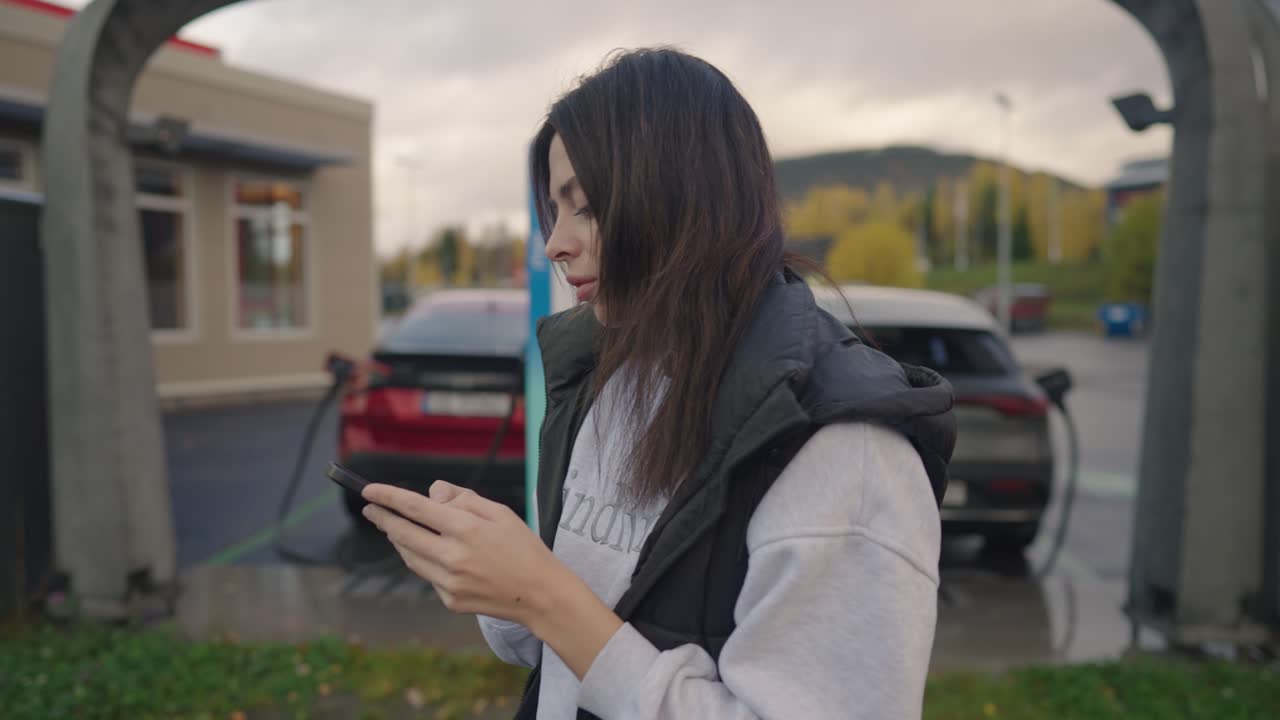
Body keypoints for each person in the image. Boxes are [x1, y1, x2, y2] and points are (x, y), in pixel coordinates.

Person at [361, 47, 956, 720]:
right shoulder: (608, 378)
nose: (555, 243)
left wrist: (544, 596)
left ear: (682, 200)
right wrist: (497, 576)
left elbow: (576, 623)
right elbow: (564, 649)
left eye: (582, 207)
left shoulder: (844, 451)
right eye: (552, 211)